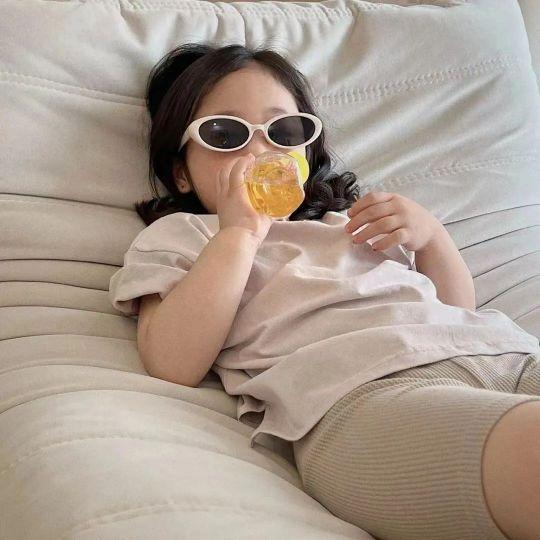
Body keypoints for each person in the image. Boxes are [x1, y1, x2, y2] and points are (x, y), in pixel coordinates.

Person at [109, 42, 540, 540]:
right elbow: (172, 361)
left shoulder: (349, 223)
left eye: (283, 132)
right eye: (224, 134)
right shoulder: (185, 236)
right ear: (182, 173)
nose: (260, 151)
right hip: (363, 398)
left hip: (503, 354)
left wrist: (432, 238)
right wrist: (239, 234)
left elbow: (454, 310)